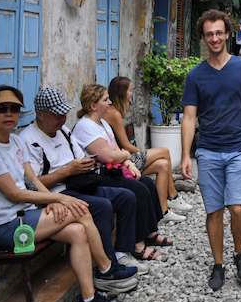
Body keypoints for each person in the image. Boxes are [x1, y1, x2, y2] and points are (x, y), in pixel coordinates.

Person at [0, 86, 136, 302]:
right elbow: (14, 194)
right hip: (7, 226)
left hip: (28, 214)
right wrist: (58, 197)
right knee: (81, 210)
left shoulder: (16, 142)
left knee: (78, 231)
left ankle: (88, 301)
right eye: (1, 109)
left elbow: (31, 180)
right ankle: (106, 269)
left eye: (14, 109)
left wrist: (49, 203)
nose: (9, 114)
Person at [21, 87, 150, 273]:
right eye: (57, 115)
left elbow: (81, 157)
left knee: (126, 196)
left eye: (64, 114)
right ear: (40, 114)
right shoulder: (28, 140)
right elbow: (33, 184)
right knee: (102, 206)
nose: (62, 119)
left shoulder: (63, 131)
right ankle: (108, 266)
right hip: (58, 194)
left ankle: (123, 252)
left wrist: (87, 164)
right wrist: (66, 171)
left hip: (79, 183)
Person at [180, 9, 241, 291]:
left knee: (238, 209)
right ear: (203, 38)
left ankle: (239, 253)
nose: (214, 38)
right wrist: (184, 156)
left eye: (219, 32)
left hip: (240, 148)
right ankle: (219, 263)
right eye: (209, 34)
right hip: (208, 151)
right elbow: (189, 117)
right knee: (214, 211)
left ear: (228, 33)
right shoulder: (195, 76)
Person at [73, 84, 173, 261]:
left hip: (113, 170)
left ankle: (149, 231)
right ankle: (137, 244)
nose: (110, 102)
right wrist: (126, 155)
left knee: (146, 183)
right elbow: (109, 157)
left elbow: (116, 149)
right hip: (97, 177)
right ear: (93, 106)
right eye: (105, 100)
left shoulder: (102, 122)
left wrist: (129, 163)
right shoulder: (85, 127)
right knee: (138, 190)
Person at [104, 76, 193, 222]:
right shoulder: (114, 113)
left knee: (163, 165)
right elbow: (126, 145)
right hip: (122, 161)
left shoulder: (115, 112)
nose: (132, 93)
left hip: (123, 159)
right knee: (164, 152)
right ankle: (173, 196)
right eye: (130, 90)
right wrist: (144, 153)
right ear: (122, 92)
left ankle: (162, 210)